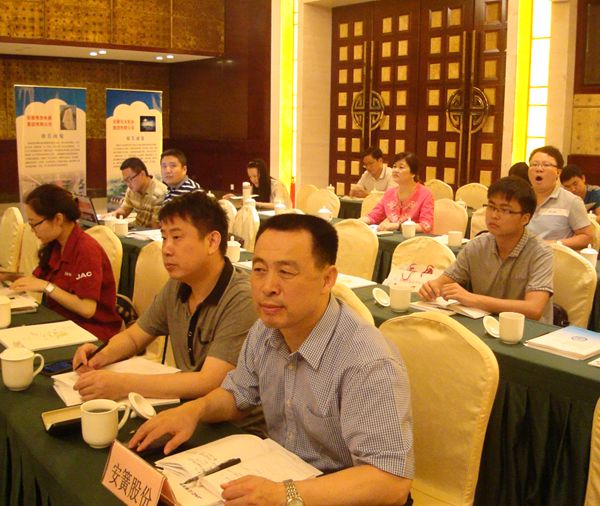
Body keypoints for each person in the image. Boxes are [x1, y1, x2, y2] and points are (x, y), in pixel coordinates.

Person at [129, 214, 414, 505]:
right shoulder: (266, 330)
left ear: (327, 279)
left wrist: (284, 494)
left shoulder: (367, 361)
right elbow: (238, 395)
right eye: (259, 270)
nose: (267, 287)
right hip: (283, 473)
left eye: (286, 272)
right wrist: (194, 410)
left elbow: (391, 483)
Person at [72, 191, 257, 403]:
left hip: (230, 419)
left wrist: (123, 385)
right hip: (186, 405)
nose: (166, 249)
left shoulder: (241, 298)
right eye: (164, 237)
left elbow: (209, 382)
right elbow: (134, 338)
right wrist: (98, 357)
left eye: (176, 237)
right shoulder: (178, 286)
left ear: (212, 241)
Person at [419, 177, 553, 323]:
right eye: (491, 206)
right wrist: (432, 287)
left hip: (527, 330)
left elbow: (534, 309)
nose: (494, 215)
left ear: (525, 218)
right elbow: (443, 282)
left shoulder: (540, 252)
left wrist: (473, 299)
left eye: (505, 210)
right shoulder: (477, 246)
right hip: (485, 324)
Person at [9, 184, 121, 340]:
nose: (33, 230)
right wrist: (7, 279)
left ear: (58, 219)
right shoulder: (55, 245)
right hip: (61, 324)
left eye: (35, 224)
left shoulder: (86, 249)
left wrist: (47, 287)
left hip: (91, 332)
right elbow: (34, 280)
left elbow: (87, 309)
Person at [526, 145, 593, 249]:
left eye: (546, 165)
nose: (539, 169)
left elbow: (586, 237)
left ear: (558, 172)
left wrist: (553, 244)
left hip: (553, 256)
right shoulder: (519, 197)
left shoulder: (572, 201)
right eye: (534, 164)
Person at [361, 152, 434, 232]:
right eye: (394, 166)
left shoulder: (425, 194)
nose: (395, 170)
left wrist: (397, 226)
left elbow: (426, 225)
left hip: (416, 238)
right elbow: (374, 216)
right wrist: (356, 222)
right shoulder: (390, 193)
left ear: (413, 173)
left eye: (401, 167)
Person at [112, 157, 167, 228]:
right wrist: (115, 214)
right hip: (136, 228)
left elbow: (155, 225)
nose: (128, 184)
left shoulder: (159, 193)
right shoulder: (131, 190)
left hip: (149, 231)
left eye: (130, 179)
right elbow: (125, 209)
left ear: (142, 174)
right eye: (126, 181)